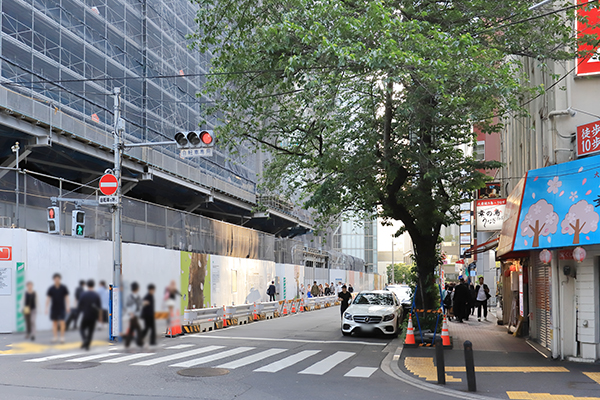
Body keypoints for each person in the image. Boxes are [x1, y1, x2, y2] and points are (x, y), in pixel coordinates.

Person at [45, 273, 70, 343]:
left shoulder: (63, 288)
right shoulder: (51, 288)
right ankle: (55, 337)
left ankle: (62, 337)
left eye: (58, 279)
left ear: (60, 279)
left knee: (62, 322)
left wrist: (68, 306)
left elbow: (67, 297)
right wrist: (46, 308)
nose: (57, 280)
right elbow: (48, 299)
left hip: (62, 308)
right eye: (55, 279)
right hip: (54, 308)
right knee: (54, 323)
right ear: (53, 279)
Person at [78, 279, 101, 350]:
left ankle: (85, 339)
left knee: (82, 328)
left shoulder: (83, 295)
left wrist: (82, 310)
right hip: (93, 316)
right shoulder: (96, 295)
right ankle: (87, 346)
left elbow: (79, 305)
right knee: (91, 331)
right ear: (93, 285)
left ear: (87, 285)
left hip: (86, 315)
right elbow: (99, 307)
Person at [124, 282, 143, 348]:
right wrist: (131, 313)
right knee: (138, 329)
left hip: (136, 315)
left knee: (132, 329)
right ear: (137, 288)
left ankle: (127, 343)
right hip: (132, 316)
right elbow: (128, 306)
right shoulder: (130, 297)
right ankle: (140, 343)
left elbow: (140, 304)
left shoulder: (137, 296)